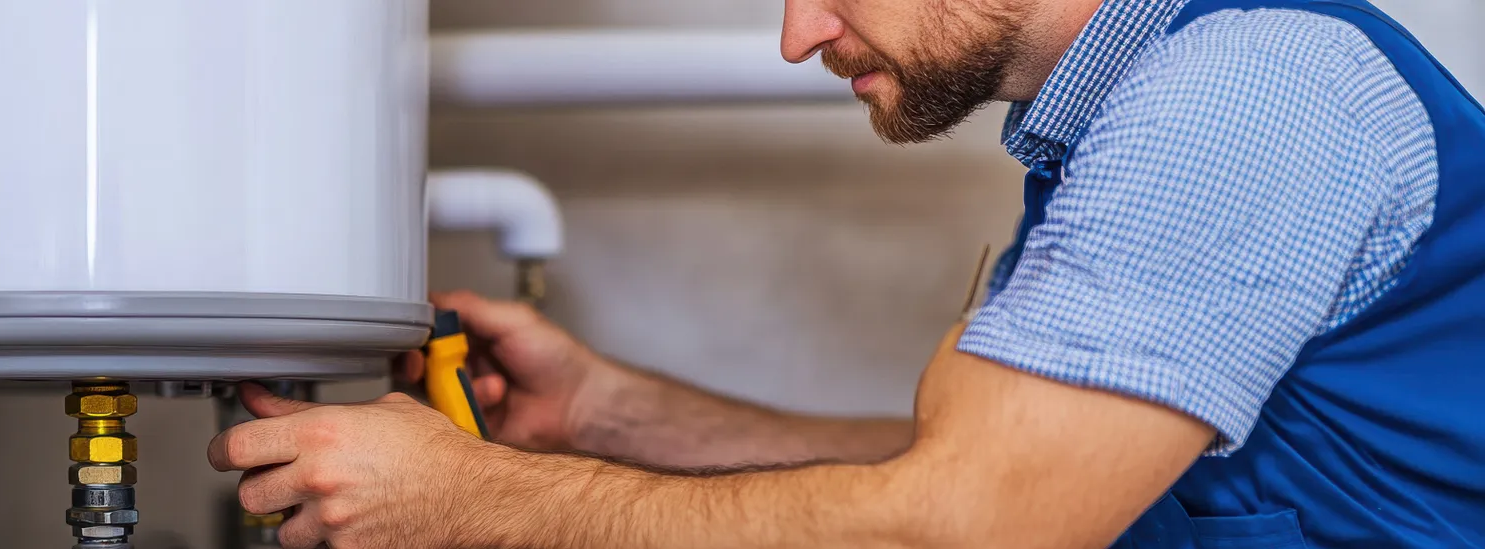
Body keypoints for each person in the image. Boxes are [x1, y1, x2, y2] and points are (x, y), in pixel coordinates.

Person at [207, 0, 1485, 546]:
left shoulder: (1242, 98)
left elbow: (977, 524)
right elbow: (1037, 479)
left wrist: (477, 502)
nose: (796, 35)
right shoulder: (1144, 113)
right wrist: (614, 419)